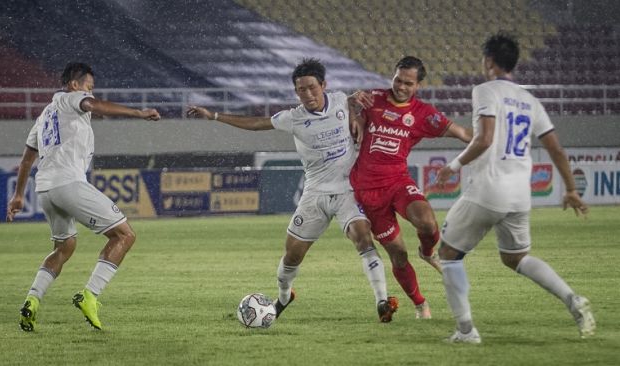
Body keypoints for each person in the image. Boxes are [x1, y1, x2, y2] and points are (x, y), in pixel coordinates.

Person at [187, 58, 399, 322]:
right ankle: (284, 297)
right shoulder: (293, 118)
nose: (308, 94)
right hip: (314, 194)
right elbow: (256, 124)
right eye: (301, 90)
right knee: (292, 256)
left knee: (362, 237)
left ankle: (381, 301)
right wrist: (214, 115)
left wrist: (355, 109)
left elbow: (359, 103)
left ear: (324, 85)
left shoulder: (341, 101)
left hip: (347, 191)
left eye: (312, 87)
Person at [436, 32, 595, 344]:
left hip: (487, 191)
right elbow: (557, 150)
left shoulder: (485, 90)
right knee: (516, 258)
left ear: (490, 61)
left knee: (448, 254)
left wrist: (452, 166)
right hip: (520, 196)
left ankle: (466, 331)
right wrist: (571, 189)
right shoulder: (530, 101)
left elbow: (484, 139)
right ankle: (572, 300)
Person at [7, 62, 161, 331]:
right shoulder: (71, 99)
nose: (90, 93)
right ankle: (90, 295)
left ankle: (32, 300)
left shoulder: (44, 115)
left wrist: (18, 196)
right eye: (89, 87)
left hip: (45, 189)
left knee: (64, 247)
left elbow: (26, 160)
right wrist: (139, 112)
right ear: (74, 84)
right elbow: (95, 105)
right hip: (68, 183)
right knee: (125, 235)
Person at [349, 56, 471, 319]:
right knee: (399, 255)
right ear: (392, 76)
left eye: (408, 83)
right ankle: (419, 304)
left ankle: (427, 253)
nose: (401, 86)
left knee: (427, 222)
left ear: (418, 86)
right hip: (368, 192)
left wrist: (487, 142)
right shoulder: (373, 99)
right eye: (397, 80)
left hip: (398, 182)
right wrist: (352, 108)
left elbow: (461, 133)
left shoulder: (423, 114)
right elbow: (346, 106)